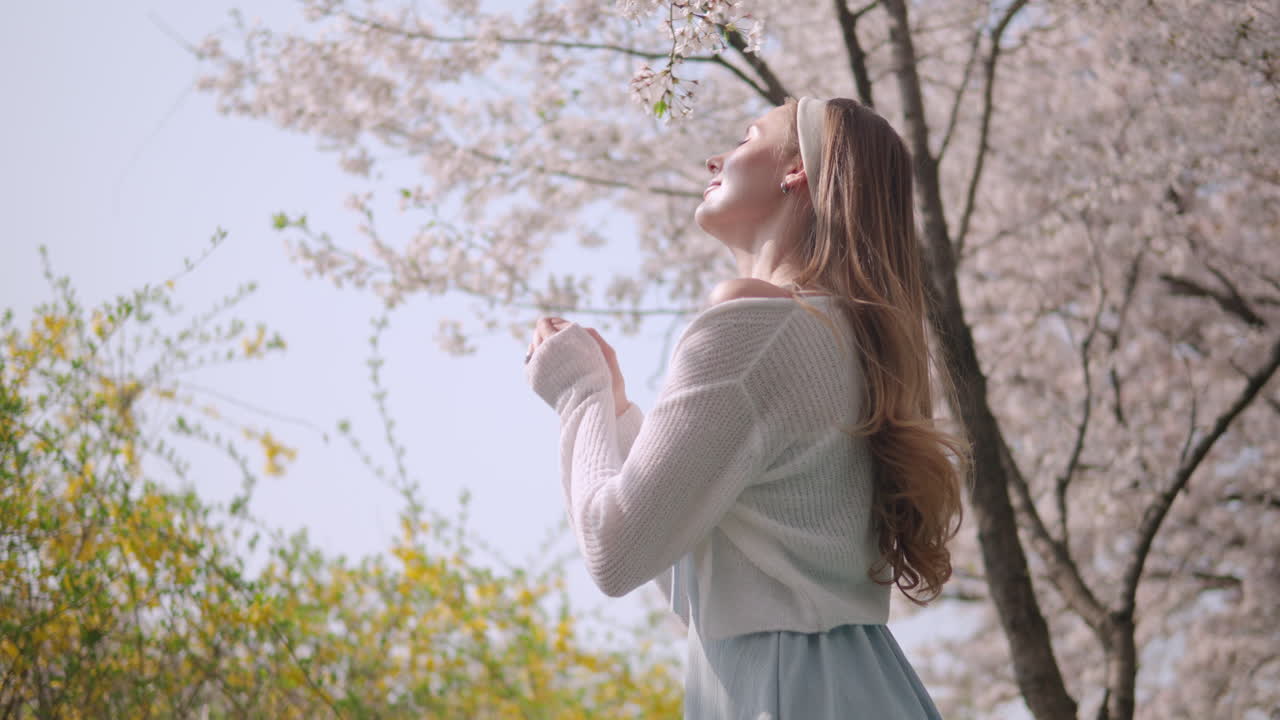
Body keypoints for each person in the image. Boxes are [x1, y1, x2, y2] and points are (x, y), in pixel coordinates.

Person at [525, 95, 972, 719]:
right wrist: (621, 412)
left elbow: (615, 550)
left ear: (799, 171)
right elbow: (701, 571)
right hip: (855, 681)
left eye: (745, 138)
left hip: (785, 691)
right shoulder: (851, 341)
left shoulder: (754, 320)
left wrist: (579, 393)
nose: (716, 157)